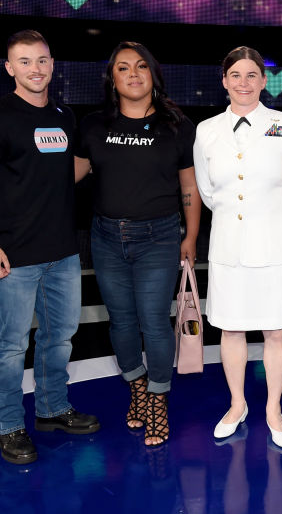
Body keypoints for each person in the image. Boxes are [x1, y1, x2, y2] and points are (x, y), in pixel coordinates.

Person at [0, 30, 98, 465]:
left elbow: (64, 172)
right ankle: (9, 426)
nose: (34, 69)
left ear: (52, 64)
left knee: (60, 339)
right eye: (24, 61)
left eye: (41, 60)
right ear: (9, 68)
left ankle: (53, 409)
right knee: (11, 345)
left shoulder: (64, 116)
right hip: (13, 258)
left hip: (62, 253)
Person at [74, 42, 200, 447]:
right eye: (123, 68)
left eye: (141, 66)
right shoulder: (93, 125)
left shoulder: (178, 126)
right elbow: (63, 178)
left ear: (153, 75)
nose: (133, 73)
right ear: (112, 78)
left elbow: (189, 187)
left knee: (153, 321)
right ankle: (137, 387)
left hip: (159, 238)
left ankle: (158, 401)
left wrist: (192, 236)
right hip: (106, 238)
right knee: (122, 323)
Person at [193, 47, 282, 449]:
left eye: (252, 75)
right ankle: (237, 404)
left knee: (276, 330)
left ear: (263, 81)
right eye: (235, 75)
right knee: (231, 328)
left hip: (275, 246)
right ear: (224, 81)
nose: (243, 82)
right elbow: (208, 192)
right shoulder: (206, 130)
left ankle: (273, 408)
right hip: (228, 247)